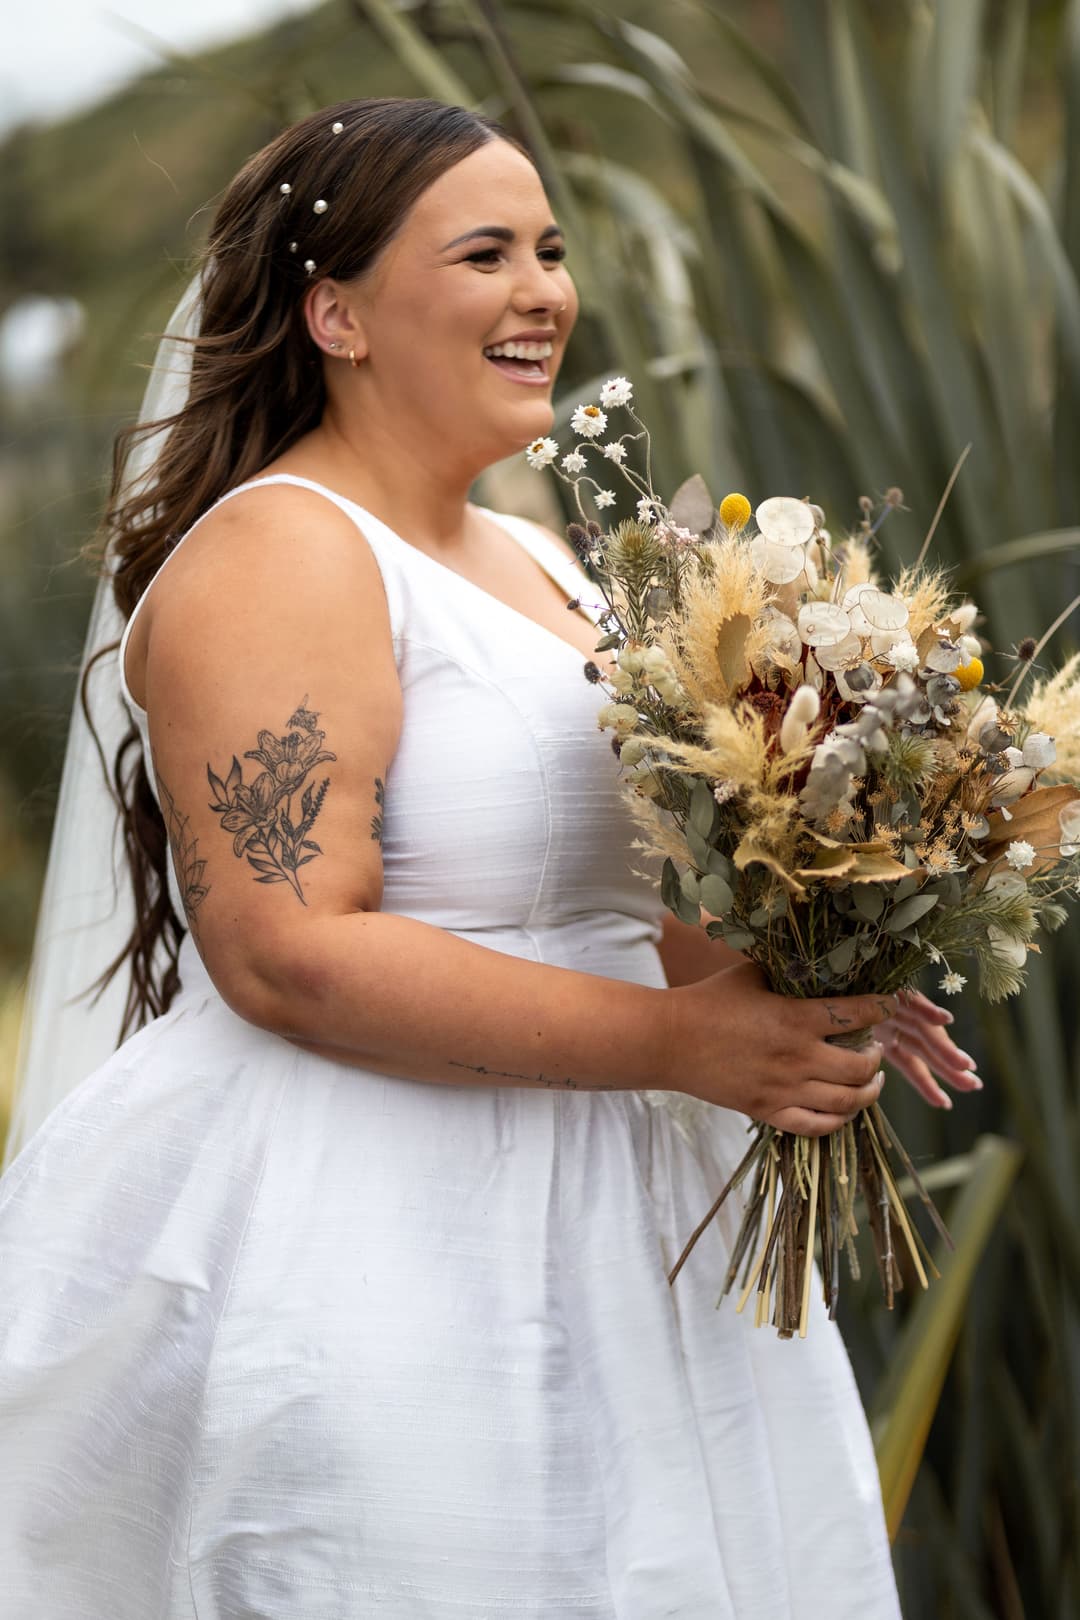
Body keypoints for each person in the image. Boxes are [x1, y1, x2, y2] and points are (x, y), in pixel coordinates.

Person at [0, 97, 977, 1618]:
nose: (544, 292)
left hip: (632, 1216)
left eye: (551, 250)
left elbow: (619, 894)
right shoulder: (284, 549)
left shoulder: (540, 564)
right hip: (376, 1225)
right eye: (485, 254)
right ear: (338, 313)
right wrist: (682, 1039)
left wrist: (812, 971)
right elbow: (285, 947)